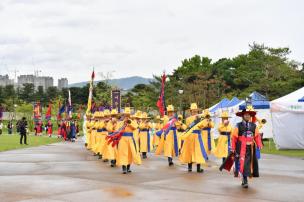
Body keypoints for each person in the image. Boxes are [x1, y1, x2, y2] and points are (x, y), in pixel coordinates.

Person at [231, 108, 263, 188]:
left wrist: (259, 144)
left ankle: (245, 178)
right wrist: (233, 147)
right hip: (241, 147)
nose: (247, 116)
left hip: (250, 148)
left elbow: (257, 136)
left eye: (249, 115)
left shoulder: (254, 125)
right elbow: (234, 137)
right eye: (245, 115)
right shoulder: (238, 125)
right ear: (242, 116)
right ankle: (244, 180)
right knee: (243, 163)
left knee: (248, 164)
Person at [179, 103, 207, 173]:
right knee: (189, 151)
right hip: (190, 136)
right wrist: (182, 125)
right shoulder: (188, 119)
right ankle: (189, 167)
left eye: (195, 111)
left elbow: (203, 126)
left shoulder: (200, 118)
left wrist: (199, 120)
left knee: (198, 151)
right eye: (193, 111)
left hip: (197, 136)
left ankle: (198, 168)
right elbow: (187, 128)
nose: (194, 112)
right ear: (190, 111)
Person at [115, 108, 141, 174]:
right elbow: (117, 130)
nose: (127, 116)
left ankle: (128, 167)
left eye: (128, 115)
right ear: (124, 116)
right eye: (126, 115)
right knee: (123, 153)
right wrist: (124, 123)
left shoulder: (133, 122)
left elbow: (135, 128)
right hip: (122, 139)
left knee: (130, 153)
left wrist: (129, 124)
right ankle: (124, 167)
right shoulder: (120, 123)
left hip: (130, 139)